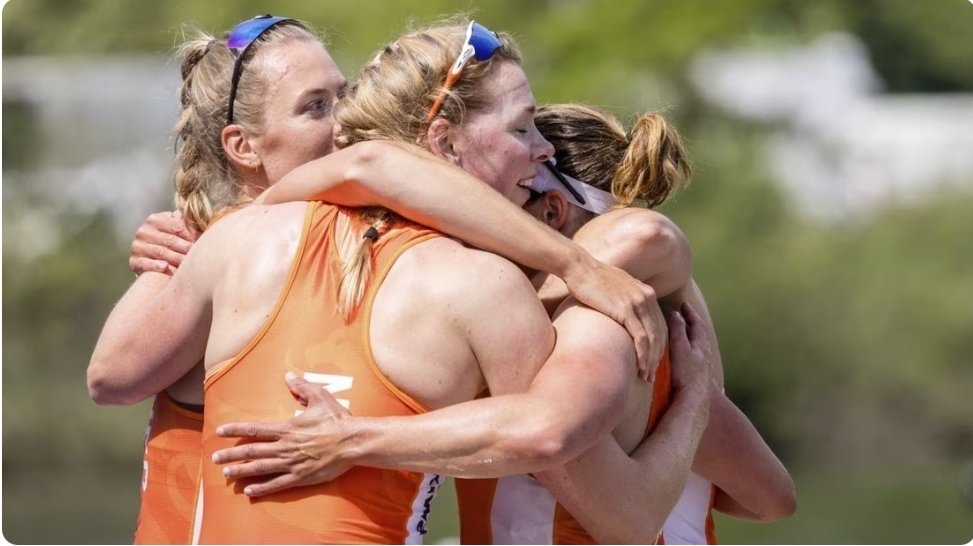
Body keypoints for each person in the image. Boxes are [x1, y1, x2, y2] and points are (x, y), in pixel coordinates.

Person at [89, 19, 709, 544]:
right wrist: (694, 388)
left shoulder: (231, 242)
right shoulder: (484, 288)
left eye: (344, 96)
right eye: (522, 129)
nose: (340, 124)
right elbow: (618, 507)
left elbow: (372, 166)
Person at [209, 103, 795, 542]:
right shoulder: (623, 322)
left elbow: (643, 234)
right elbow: (765, 499)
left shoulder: (599, 328)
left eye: (497, 204)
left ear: (553, 210)